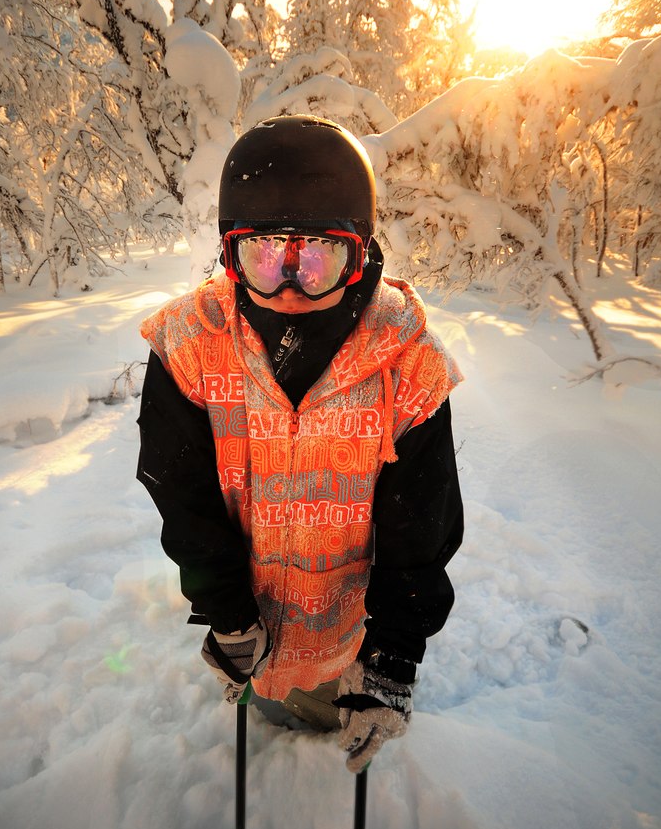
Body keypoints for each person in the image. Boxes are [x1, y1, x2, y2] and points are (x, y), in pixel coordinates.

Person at [136, 115, 463, 773]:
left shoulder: (405, 360)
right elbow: (183, 494)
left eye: (316, 258)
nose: (289, 287)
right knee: (266, 706)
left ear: (360, 252)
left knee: (319, 726)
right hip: (247, 620)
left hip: (346, 628)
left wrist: (392, 657)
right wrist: (225, 613)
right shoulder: (190, 346)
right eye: (264, 257)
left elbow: (420, 523)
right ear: (230, 255)